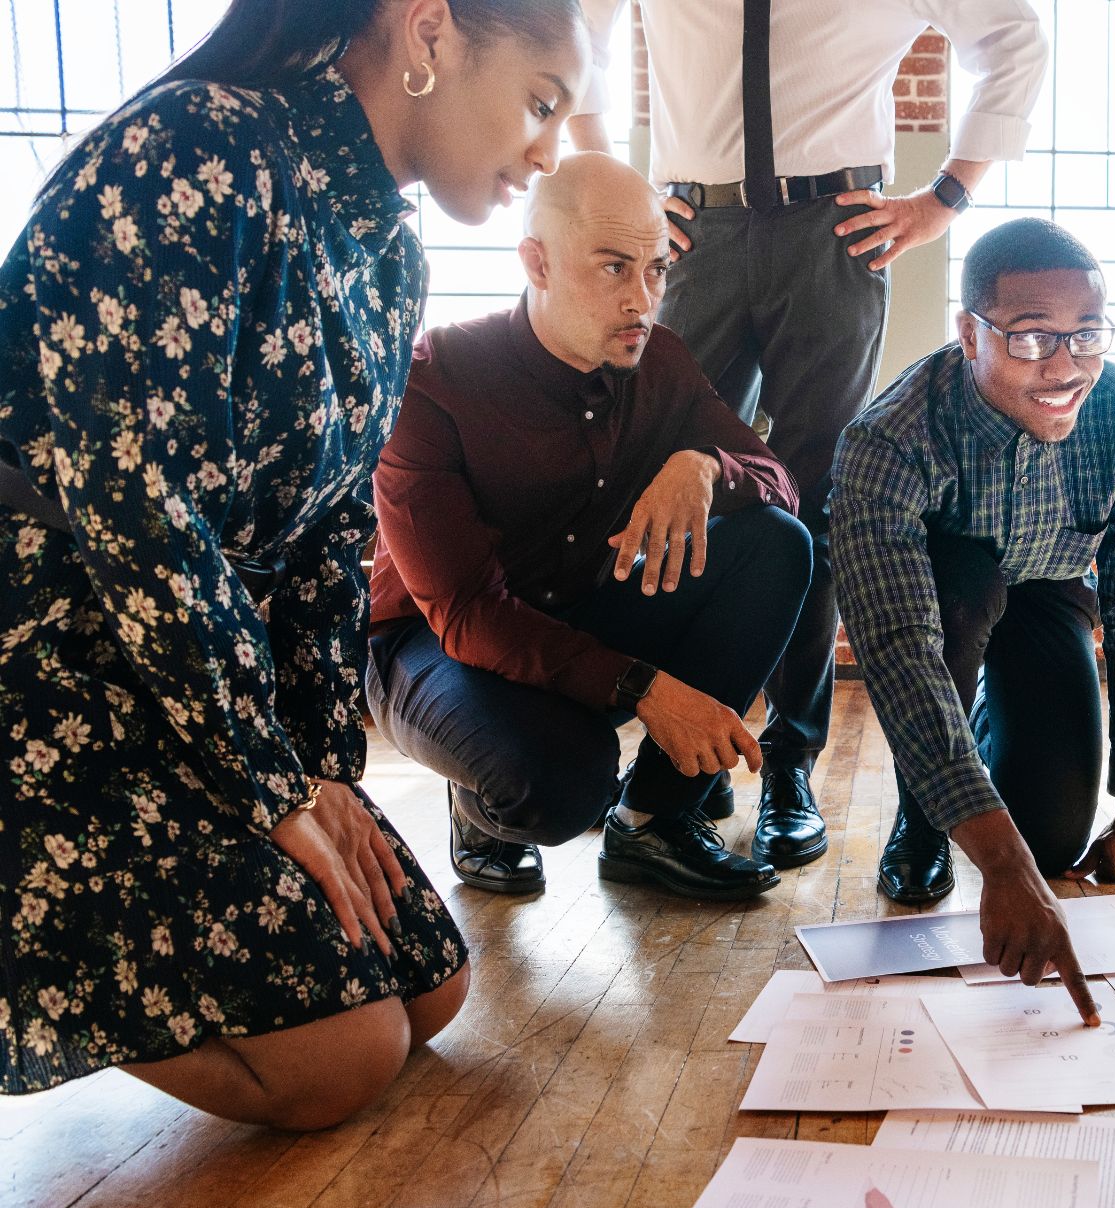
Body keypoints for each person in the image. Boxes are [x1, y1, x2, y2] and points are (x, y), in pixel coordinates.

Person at [0, 0, 593, 1129]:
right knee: (342, 1057)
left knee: (431, 982)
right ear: (429, 33)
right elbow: (143, 512)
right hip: (46, 649)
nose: (547, 150)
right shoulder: (190, 148)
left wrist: (321, 767)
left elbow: (328, 540)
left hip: (181, 658)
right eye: (538, 103)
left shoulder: (389, 249)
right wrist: (265, 786)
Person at [562, 0, 1047, 873]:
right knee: (658, 484)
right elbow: (576, 32)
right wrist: (608, 181)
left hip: (833, 237)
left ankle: (791, 764)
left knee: (816, 510)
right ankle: (685, 754)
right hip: (688, 233)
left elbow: (1013, 36)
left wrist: (947, 197)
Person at [367, 153, 810, 902]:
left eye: (658, 270)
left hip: (578, 609)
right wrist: (647, 689)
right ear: (536, 263)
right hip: (434, 644)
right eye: (613, 269)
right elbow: (469, 613)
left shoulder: (657, 361)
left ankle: (651, 822)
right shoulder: (434, 381)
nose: (643, 299)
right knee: (561, 786)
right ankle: (480, 805)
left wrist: (702, 466)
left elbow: (778, 482)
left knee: (775, 544)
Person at [832, 218, 1115, 1024]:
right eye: (1031, 340)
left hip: (1050, 590)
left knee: (1054, 840)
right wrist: (995, 863)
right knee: (960, 599)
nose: (1065, 367)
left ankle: (988, 740)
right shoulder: (890, 438)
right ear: (970, 333)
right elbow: (899, 650)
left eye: (1087, 335)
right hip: (947, 596)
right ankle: (924, 814)